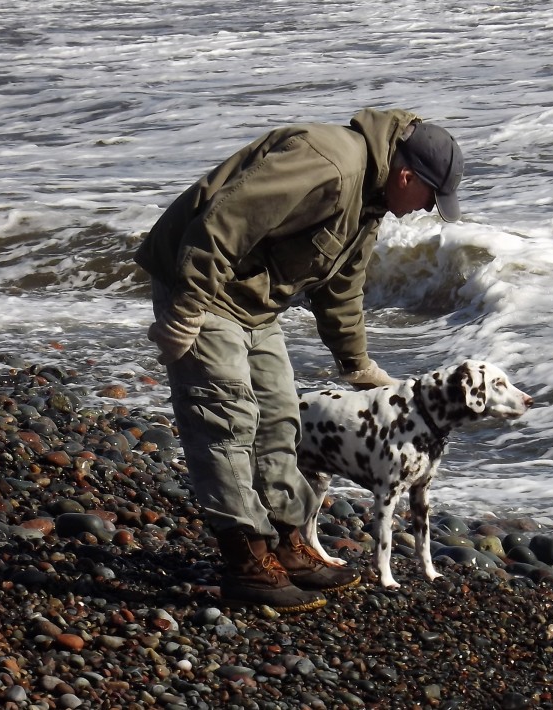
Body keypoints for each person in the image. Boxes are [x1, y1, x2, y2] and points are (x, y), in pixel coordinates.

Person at [135, 108, 464, 612]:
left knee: (280, 417)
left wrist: (355, 362)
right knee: (226, 418)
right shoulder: (328, 164)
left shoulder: (370, 202)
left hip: (255, 301)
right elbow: (223, 223)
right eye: (429, 199)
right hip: (202, 284)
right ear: (406, 176)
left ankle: (287, 540)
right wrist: (184, 311)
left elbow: (343, 287)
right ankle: (246, 557)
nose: (423, 210)